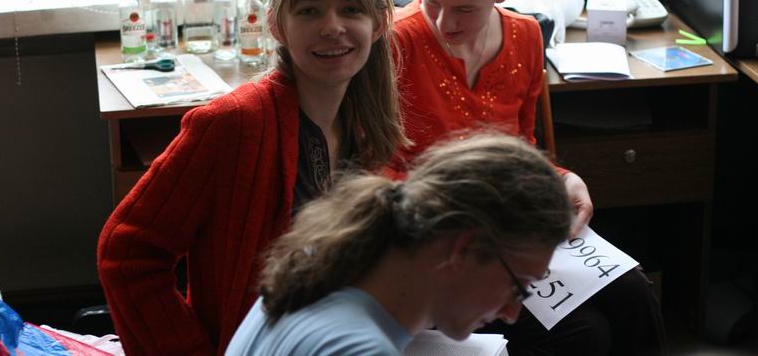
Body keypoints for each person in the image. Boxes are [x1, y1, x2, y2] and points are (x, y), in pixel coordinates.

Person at [97, 0, 408, 355]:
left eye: (351, 9)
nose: (332, 26)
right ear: (277, 25)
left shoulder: (366, 124)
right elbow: (127, 252)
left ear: (379, 22)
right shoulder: (234, 124)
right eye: (309, 11)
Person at [392, 0, 667, 355]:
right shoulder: (395, 44)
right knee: (586, 334)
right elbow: (375, 170)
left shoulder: (524, 36)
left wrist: (560, 178)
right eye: (431, 1)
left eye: (464, 9)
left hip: (511, 232)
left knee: (635, 294)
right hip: (438, 247)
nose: (443, 23)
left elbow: (522, 151)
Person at [226, 133, 574, 355]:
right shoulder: (360, 349)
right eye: (518, 287)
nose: (512, 314)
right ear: (464, 247)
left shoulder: (318, 267)